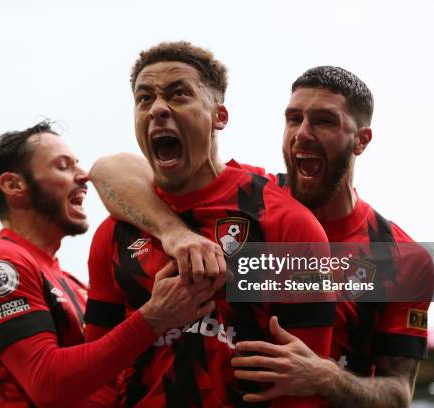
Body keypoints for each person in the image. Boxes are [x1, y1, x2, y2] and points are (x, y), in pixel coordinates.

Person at [90, 66, 433, 407]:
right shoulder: (248, 198)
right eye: (293, 118)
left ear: (361, 139)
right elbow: (110, 171)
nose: (302, 133)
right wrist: (174, 232)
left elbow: (398, 394)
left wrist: (326, 378)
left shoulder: (403, 260)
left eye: (324, 121)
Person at [84, 41, 335, 407]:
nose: (157, 109)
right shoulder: (114, 233)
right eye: (144, 98)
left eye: (179, 94)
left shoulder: (286, 223)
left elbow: (302, 387)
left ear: (219, 116)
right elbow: (98, 375)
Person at [0, 121, 219, 407]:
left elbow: (98, 381)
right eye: (63, 166)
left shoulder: (72, 284)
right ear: (14, 185)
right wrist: (154, 318)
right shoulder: (0, 261)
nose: (84, 176)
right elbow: (47, 383)